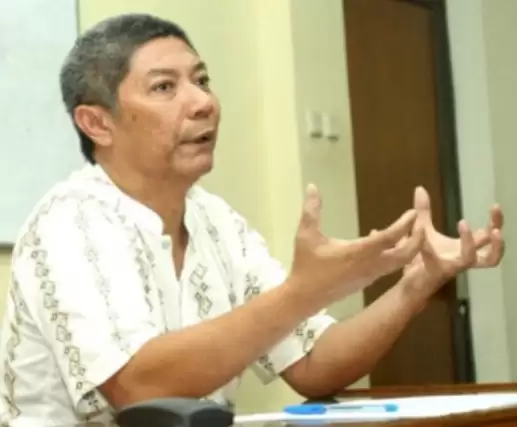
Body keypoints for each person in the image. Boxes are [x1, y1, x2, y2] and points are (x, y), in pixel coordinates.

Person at [0, 13, 504, 427]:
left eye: (202, 80)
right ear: (97, 123)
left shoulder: (218, 221)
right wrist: (303, 293)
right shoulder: (67, 223)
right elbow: (138, 388)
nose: (203, 103)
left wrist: (417, 283)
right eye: (164, 87)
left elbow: (314, 366)